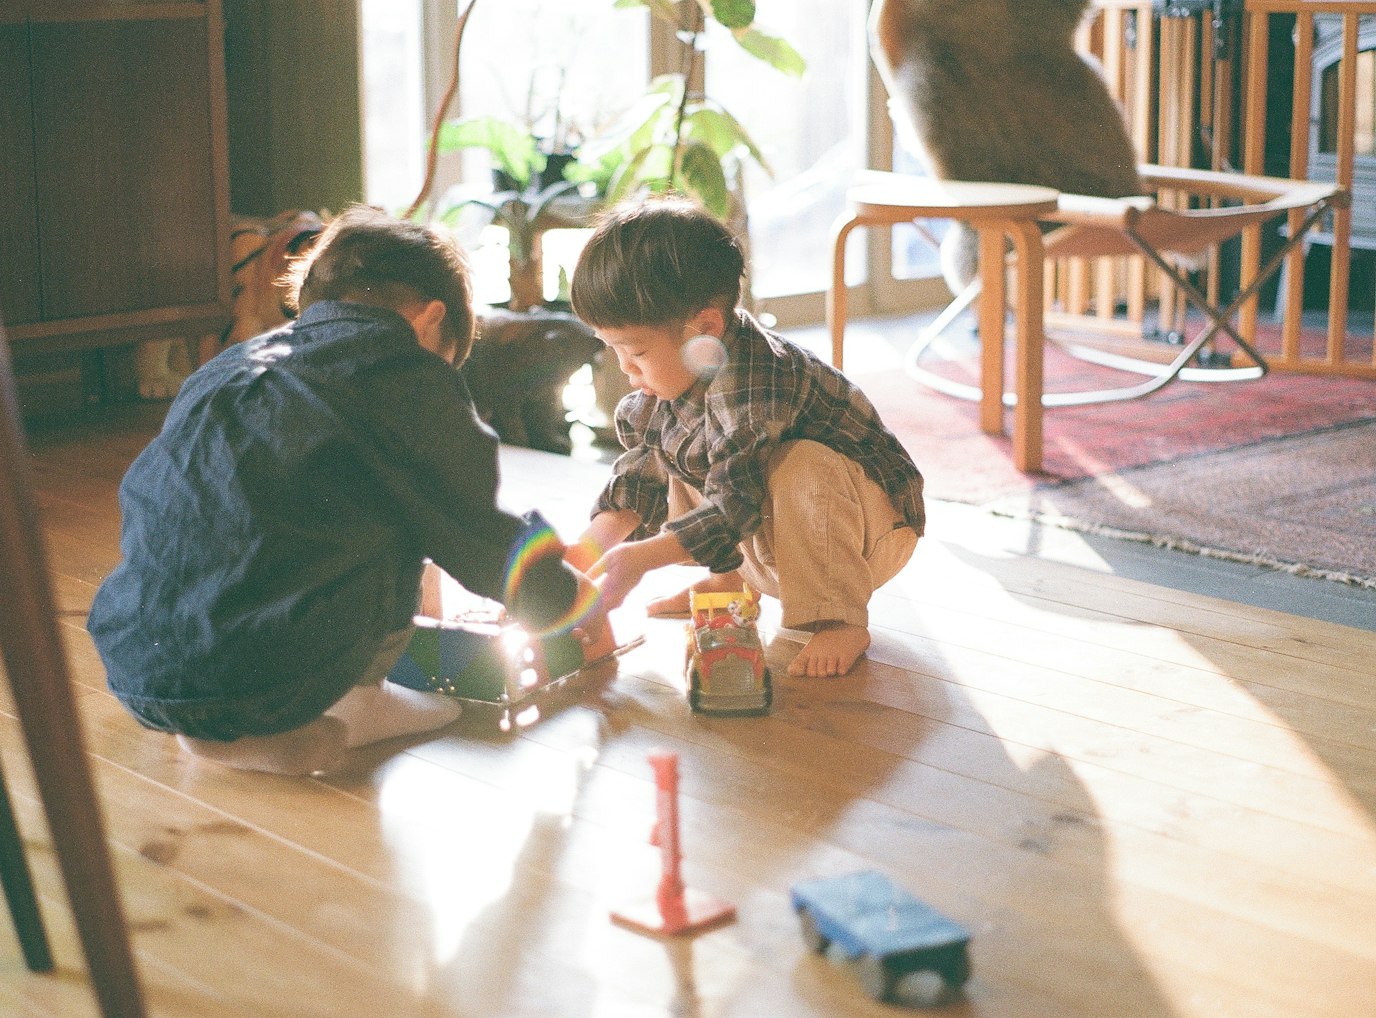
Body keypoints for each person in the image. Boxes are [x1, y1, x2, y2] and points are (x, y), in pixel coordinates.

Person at [88, 205, 597, 775]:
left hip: (140, 662)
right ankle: (356, 700)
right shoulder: (406, 377)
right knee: (407, 510)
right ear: (431, 321)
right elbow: (476, 534)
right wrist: (571, 604)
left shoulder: (228, 368)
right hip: (280, 670)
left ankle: (225, 726)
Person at [566, 200, 924, 678]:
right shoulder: (665, 386)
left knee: (798, 464)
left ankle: (836, 617)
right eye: (614, 352)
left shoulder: (760, 379)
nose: (626, 371)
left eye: (636, 352)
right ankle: (727, 582)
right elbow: (637, 483)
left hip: (869, 536)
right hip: (774, 545)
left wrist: (644, 558)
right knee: (678, 448)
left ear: (706, 327)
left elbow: (736, 501)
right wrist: (577, 562)